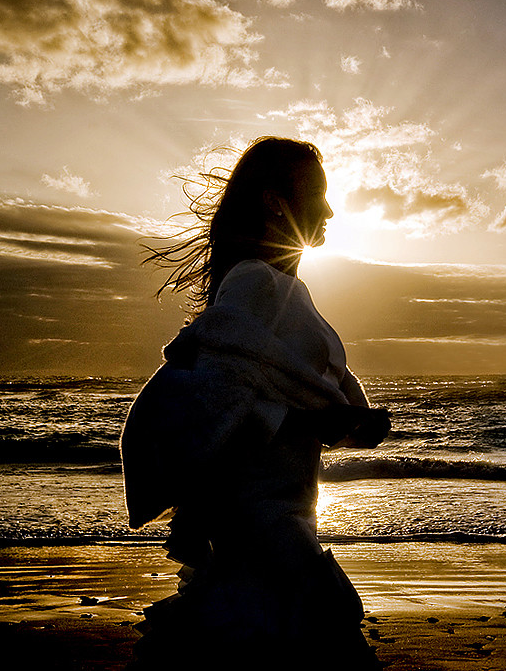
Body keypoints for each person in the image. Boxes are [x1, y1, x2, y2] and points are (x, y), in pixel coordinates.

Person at [120, 137, 389, 668]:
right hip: (259, 522)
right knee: (311, 636)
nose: (331, 209)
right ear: (274, 202)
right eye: (318, 193)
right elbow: (212, 394)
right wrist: (315, 418)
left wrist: (347, 422)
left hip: (285, 516)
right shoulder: (254, 282)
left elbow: (278, 391)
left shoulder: (288, 290)